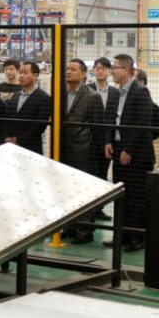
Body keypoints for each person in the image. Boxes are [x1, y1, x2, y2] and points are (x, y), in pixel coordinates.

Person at [104, 54, 155, 253]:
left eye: (114, 68)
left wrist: (128, 149)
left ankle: (138, 236)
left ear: (126, 70)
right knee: (122, 195)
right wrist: (108, 141)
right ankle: (122, 235)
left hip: (137, 155)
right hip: (118, 151)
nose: (111, 71)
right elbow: (110, 119)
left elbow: (143, 123)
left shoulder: (141, 92)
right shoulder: (117, 93)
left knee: (136, 197)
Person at [61, 59, 102, 244]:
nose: (68, 72)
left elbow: (97, 128)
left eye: (73, 69)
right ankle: (70, 226)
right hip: (63, 150)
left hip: (84, 152)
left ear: (84, 74)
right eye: (67, 69)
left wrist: (93, 154)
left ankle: (85, 230)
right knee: (67, 190)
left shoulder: (92, 96)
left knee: (84, 192)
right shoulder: (60, 94)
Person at [86, 57, 120, 220]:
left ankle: (99, 209)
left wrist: (108, 140)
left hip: (107, 141)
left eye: (103, 68)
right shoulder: (87, 90)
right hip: (88, 140)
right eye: (97, 68)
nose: (100, 71)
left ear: (109, 72)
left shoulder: (115, 93)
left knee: (102, 175)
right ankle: (87, 211)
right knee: (89, 174)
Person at [5, 61, 51, 154]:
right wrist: (8, 137)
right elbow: (9, 119)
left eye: (25, 73)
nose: (21, 76)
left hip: (31, 148)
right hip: (11, 147)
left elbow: (40, 126)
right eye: (20, 73)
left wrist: (18, 140)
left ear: (35, 76)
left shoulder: (44, 98)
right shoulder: (16, 95)